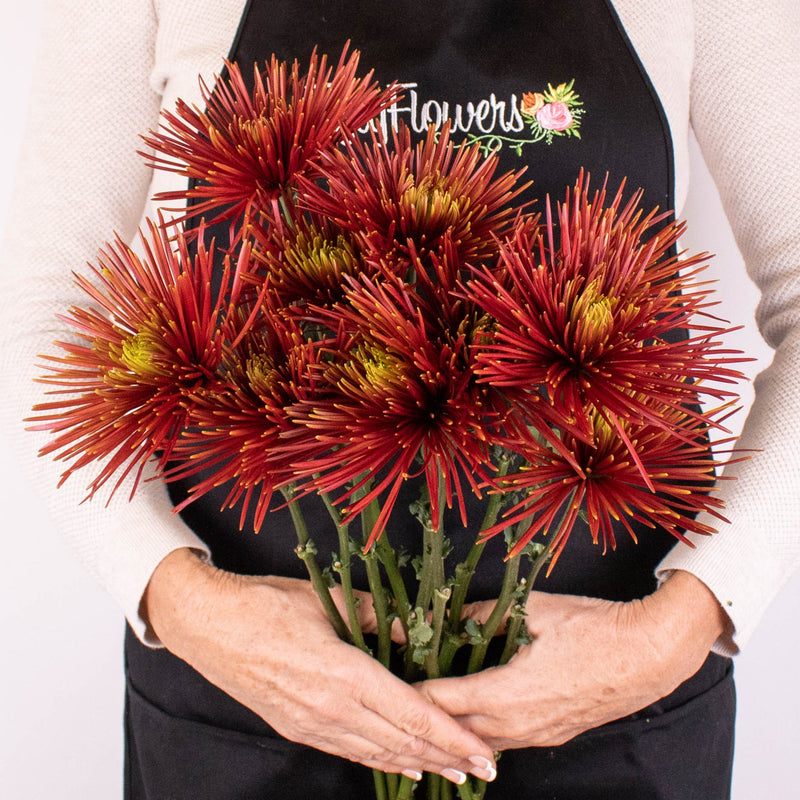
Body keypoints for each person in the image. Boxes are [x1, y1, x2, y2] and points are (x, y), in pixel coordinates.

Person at [0, 1, 798, 797]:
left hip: (612, 711)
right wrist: (178, 598)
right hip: (251, 703)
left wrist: (684, 622)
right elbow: (39, 313)